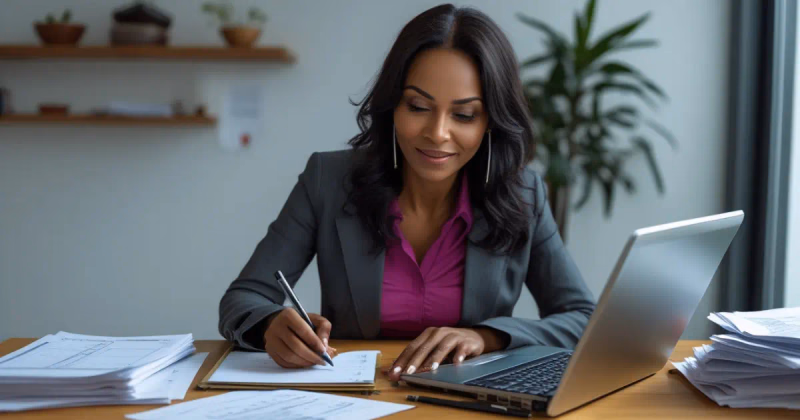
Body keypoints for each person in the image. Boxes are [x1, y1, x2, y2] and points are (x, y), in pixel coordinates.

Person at [218, 4, 595, 381]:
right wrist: (270, 325)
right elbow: (242, 300)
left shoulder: (523, 193)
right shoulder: (327, 180)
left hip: (468, 404)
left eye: (464, 115)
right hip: (352, 398)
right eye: (418, 106)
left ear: (490, 122)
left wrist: (488, 336)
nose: (437, 133)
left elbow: (583, 318)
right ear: (392, 106)